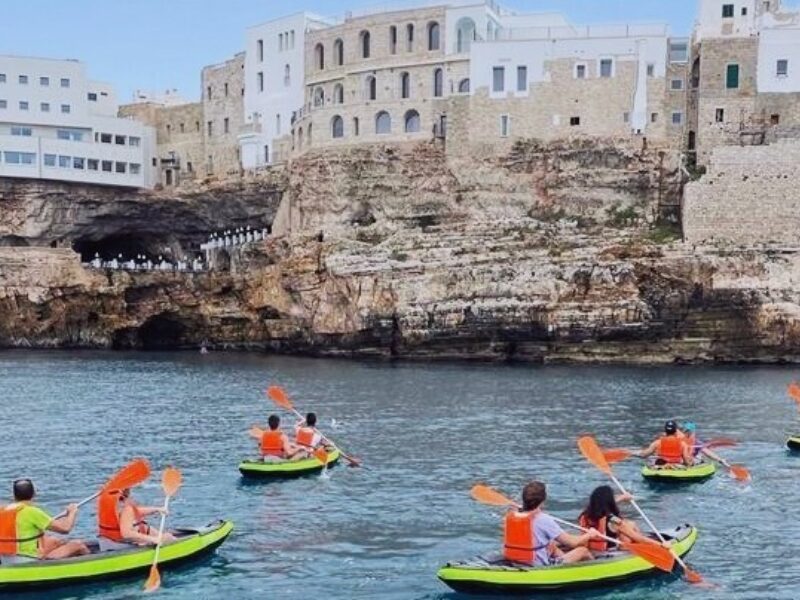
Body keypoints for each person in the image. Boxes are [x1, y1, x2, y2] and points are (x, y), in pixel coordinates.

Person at [503, 481, 599, 566]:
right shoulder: (544, 519)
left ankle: (566, 562)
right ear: (543, 501)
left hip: (515, 560)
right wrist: (589, 535)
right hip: (537, 565)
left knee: (551, 544)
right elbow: (573, 543)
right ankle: (594, 570)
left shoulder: (512, 515)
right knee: (582, 550)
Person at [0, 479, 90, 560]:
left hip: (6, 558)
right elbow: (65, 529)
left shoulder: (3, 510)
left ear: (13, 496)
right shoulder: (32, 512)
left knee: (55, 541)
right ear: (34, 494)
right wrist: (72, 512)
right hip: (28, 559)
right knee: (78, 545)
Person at [577, 486, 667, 553]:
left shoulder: (584, 515)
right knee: (630, 526)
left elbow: (602, 503)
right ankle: (631, 549)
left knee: (629, 524)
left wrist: (622, 497)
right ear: (610, 501)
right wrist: (661, 545)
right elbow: (639, 538)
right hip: (606, 553)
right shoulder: (613, 520)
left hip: (591, 550)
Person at [97, 488, 174, 547]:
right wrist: (153, 539)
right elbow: (126, 534)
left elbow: (135, 512)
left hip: (106, 542)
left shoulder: (109, 503)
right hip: (123, 544)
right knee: (168, 537)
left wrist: (157, 509)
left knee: (147, 528)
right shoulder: (126, 509)